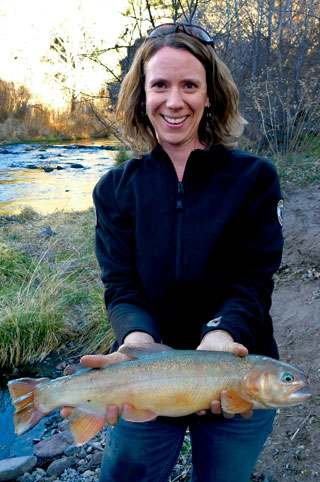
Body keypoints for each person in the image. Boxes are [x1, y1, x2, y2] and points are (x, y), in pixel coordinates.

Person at [69, 22, 284, 481]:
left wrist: (223, 337)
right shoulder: (115, 190)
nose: (173, 101)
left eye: (189, 85)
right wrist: (136, 339)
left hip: (235, 375)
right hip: (143, 380)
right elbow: (122, 286)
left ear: (210, 95)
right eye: (160, 85)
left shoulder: (255, 180)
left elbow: (253, 279)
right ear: (140, 97)